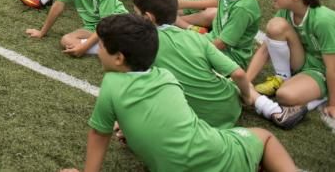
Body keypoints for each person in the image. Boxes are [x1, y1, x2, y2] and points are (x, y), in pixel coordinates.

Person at [61, 13, 297, 172]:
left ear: (119, 58)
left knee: (263, 139)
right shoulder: (166, 77)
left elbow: (98, 134)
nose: (98, 50)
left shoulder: (112, 84)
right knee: (262, 137)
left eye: (101, 46)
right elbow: (171, 119)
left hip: (211, 155)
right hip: (213, 150)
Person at [132, 0, 254, 128]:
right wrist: (246, 97)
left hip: (194, 119)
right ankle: (267, 107)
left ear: (148, 17)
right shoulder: (195, 38)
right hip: (231, 107)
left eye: (136, 13)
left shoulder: (143, 46)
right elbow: (239, 74)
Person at [246, 0, 334, 130]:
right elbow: (265, 48)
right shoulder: (286, 12)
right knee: (275, 26)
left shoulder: (323, 20)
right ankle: (283, 78)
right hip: (304, 63)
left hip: (322, 71)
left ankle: (319, 96)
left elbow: (332, 67)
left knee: (284, 96)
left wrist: (333, 104)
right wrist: (246, 80)